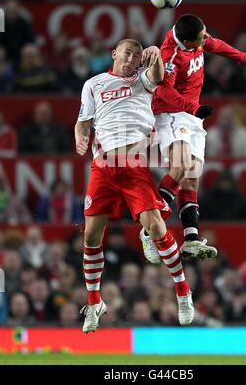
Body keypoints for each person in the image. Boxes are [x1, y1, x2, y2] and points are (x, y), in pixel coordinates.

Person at [75, 38, 194, 333]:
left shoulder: (142, 80)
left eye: (137, 55)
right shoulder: (93, 84)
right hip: (102, 168)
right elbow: (83, 120)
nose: (132, 58)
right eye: (128, 53)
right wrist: (80, 135)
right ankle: (94, 303)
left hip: (132, 166)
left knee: (156, 227)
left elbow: (156, 76)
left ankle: (183, 291)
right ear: (114, 53)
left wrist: (153, 56)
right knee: (91, 235)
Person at [139, 14, 246, 263]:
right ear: (186, 40)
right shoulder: (169, 56)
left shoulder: (197, 37)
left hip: (192, 117)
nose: (205, 39)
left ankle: (191, 238)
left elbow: (216, 44)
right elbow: (164, 90)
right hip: (172, 113)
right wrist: (191, 108)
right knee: (181, 165)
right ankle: (149, 227)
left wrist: (243, 58)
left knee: (191, 177)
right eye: (200, 38)